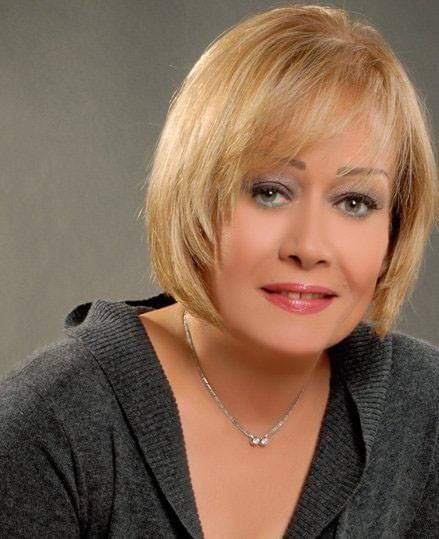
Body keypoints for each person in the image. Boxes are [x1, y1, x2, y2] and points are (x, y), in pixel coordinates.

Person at [1, 3, 438, 538]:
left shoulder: (424, 410)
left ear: (395, 228)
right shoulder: (51, 423)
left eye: (354, 202)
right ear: (195, 196)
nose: (310, 247)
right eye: (269, 192)